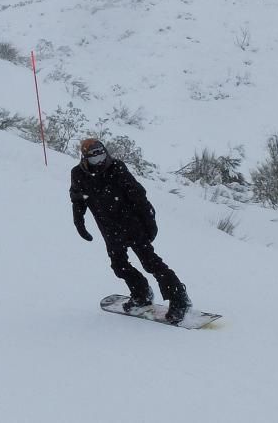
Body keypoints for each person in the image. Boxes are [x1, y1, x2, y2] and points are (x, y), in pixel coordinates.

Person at [69, 138, 192, 323]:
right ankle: (141, 294)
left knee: (151, 263)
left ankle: (179, 299)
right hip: (109, 228)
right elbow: (78, 198)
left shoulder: (117, 168)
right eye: (94, 159)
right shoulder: (78, 174)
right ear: (85, 159)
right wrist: (79, 222)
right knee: (119, 265)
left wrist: (150, 221)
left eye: (102, 155)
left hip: (132, 225)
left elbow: (138, 195)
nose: (100, 161)